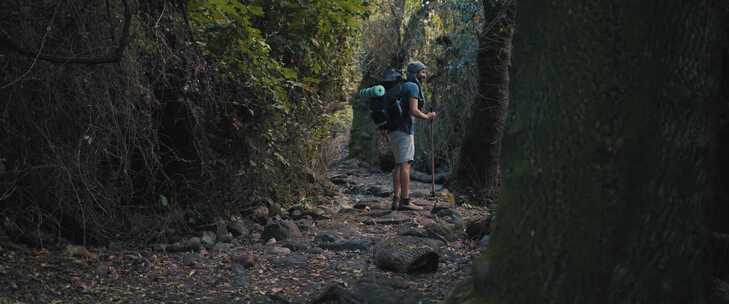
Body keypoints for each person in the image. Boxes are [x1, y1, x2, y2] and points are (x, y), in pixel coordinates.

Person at [390, 61, 436, 210]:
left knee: (398, 164)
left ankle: (396, 199)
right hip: (404, 129)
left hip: (393, 129)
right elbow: (413, 110)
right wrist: (427, 116)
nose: (424, 75)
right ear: (415, 73)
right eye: (422, 72)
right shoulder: (413, 86)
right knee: (405, 164)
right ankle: (405, 201)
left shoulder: (401, 86)